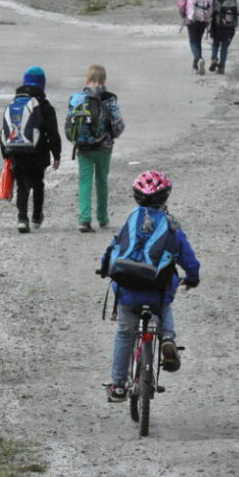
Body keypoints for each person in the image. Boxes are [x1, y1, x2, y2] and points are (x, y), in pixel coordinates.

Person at [101, 170, 201, 402]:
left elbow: (113, 248)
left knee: (125, 334)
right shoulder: (170, 224)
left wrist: (105, 269)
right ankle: (167, 337)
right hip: (157, 289)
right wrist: (193, 278)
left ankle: (118, 386)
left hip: (127, 290)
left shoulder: (132, 219)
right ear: (165, 197)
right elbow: (188, 257)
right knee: (164, 305)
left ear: (136, 197)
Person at [0, 66, 62, 233]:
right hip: (38, 153)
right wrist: (57, 155)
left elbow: (5, 130)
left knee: (22, 186)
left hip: (17, 152)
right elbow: (53, 133)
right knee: (38, 185)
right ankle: (36, 217)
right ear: (42, 84)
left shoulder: (14, 104)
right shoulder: (45, 105)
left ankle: (22, 218)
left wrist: (5, 154)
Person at [72, 64, 125, 233]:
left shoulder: (78, 99)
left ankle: (84, 219)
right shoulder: (109, 99)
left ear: (86, 80)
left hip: (83, 148)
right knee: (102, 180)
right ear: (104, 80)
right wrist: (110, 136)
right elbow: (118, 124)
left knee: (85, 181)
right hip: (104, 148)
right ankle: (102, 218)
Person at [176, 0, 213, 75]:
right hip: (204, 19)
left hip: (191, 19)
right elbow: (211, 5)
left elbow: (182, 5)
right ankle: (196, 66)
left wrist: (184, 15)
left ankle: (198, 58)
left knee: (193, 42)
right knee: (198, 41)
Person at [209, 0, 239, 74]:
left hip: (217, 25)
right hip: (229, 26)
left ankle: (214, 59)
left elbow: (211, 12)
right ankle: (222, 67)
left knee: (215, 43)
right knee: (224, 46)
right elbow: (237, 12)